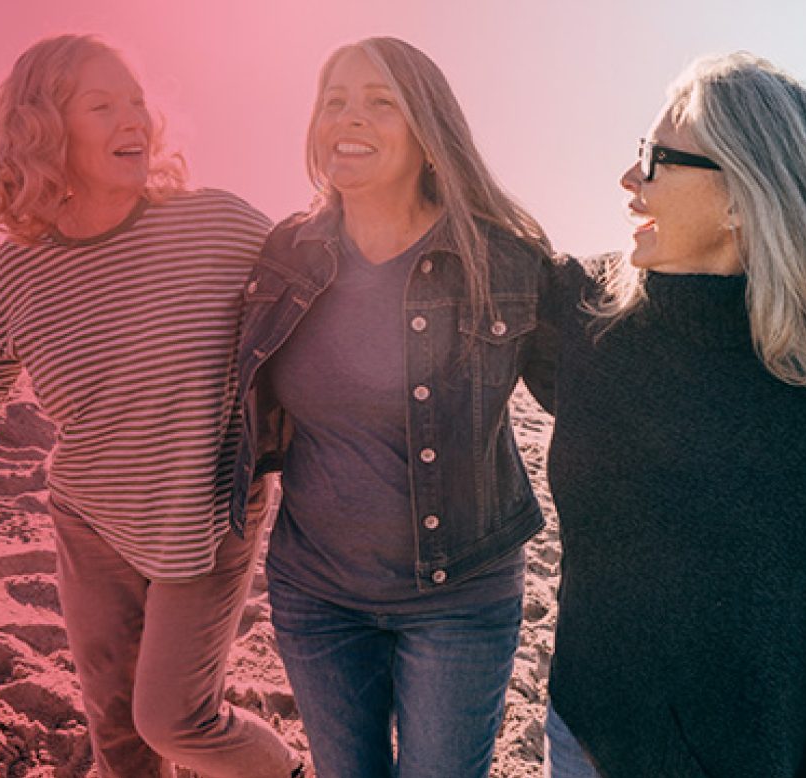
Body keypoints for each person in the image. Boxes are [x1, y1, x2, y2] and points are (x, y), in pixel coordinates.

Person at [541, 52, 806, 778]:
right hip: (580, 734)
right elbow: (464, 239)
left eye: (656, 159)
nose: (630, 181)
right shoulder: (591, 316)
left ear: (741, 198)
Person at [0, 34, 301, 778]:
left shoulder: (220, 226)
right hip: (92, 523)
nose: (135, 120)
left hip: (208, 516)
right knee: (120, 741)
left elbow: (326, 300)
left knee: (176, 719)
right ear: (47, 130)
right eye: (103, 105)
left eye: (137, 102)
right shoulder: (18, 271)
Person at [230, 36, 554, 778]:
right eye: (335, 100)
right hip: (315, 594)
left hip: (461, 598)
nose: (351, 116)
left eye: (381, 101)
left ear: (429, 132)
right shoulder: (287, 255)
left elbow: (599, 396)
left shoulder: (500, 261)